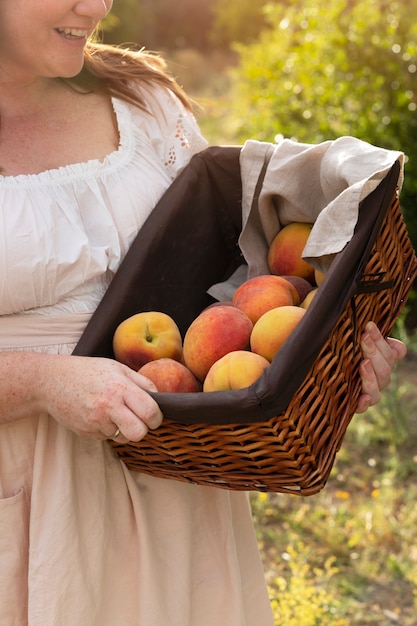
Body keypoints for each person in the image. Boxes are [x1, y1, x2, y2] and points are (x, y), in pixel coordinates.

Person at [0, 1, 407, 624]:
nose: (97, 5)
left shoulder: (145, 106)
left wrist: (318, 361)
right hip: (27, 503)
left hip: (173, 491)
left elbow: (225, 286)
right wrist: (44, 380)